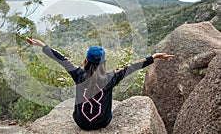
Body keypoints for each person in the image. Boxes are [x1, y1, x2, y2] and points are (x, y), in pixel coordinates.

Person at [26, 37, 174, 130]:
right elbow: (132, 66)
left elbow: (61, 59)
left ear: (86, 60)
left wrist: (42, 45)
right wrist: (153, 57)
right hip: (103, 123)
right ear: (103, 63)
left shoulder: (78, 74)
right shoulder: (110, 77)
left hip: (81, 123)